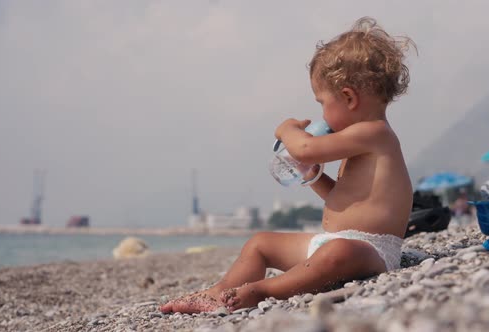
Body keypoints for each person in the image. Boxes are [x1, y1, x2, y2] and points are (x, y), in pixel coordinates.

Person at [160, 17, 415, 314]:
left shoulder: (374, 133)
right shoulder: (358, 141)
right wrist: (314, 177)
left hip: (370, 249)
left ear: (348, 97)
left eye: (322, 103)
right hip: (333, 240)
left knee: (337, 253)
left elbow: (305, 149)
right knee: (261, 243)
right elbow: (343, 201)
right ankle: (220, 292)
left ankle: (264, 290)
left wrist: (286, 130)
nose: (321, 112)